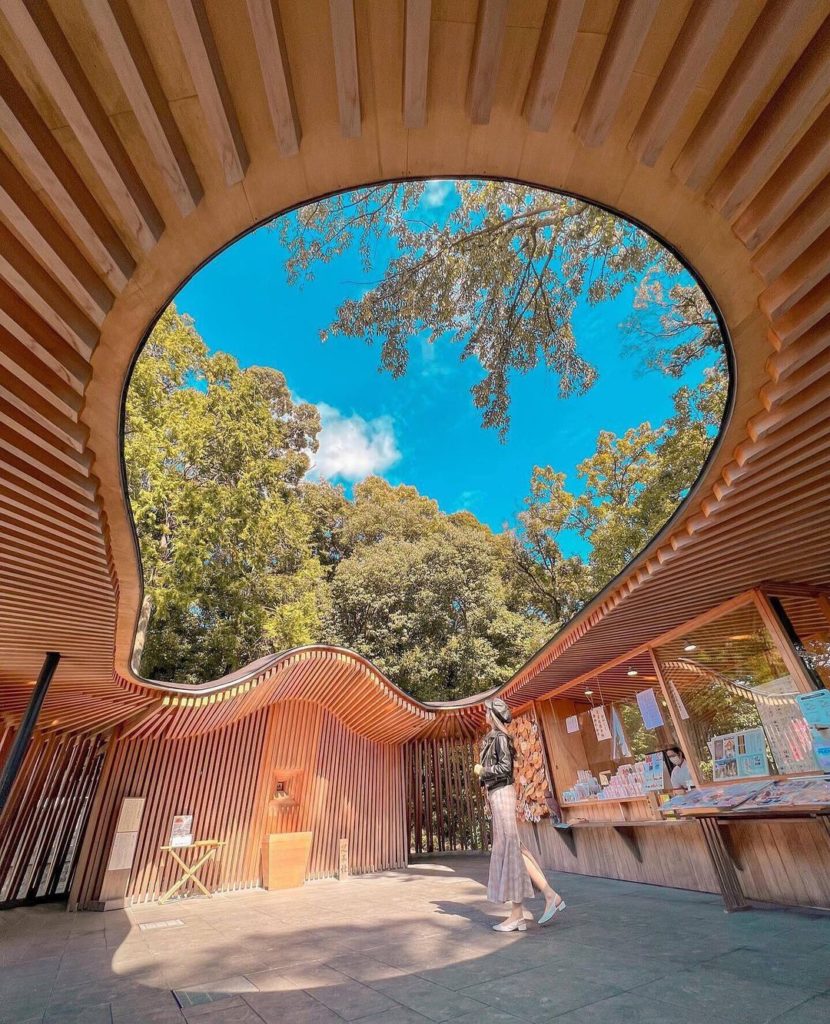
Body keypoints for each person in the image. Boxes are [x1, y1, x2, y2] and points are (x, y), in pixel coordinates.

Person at [473, 697, 566, 931]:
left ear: (493, 715)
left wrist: (484, 770)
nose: (484, 716)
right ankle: (548, 895)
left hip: (502, 793)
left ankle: (518, 914)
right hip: (498, 794)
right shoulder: (495, 738)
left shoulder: (501, 738)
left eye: (486, 712)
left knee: (511, 848)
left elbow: (505, 768)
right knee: (515, 848)